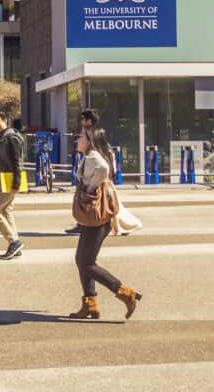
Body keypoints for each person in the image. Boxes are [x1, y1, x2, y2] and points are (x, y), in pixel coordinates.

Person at [68, 128, 142, 320]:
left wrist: (90, 188)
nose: (78, 139)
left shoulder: (94, 157)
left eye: (82, 137)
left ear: (90, 140)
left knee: (87, 263)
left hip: (97, 218)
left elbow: (103, 170)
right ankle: (90, 304)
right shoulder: (92, 155)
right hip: (96, 217)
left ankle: (126, 293)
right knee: (82, 261)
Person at [0, 110, 26, 259]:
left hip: (10, 180)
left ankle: (13, 242)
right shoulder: (1, 136)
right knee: (6, 211)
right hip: (5, 179)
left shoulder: (11, 137)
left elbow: (18, 162)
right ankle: (15, 245)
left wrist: (16, 183)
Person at [66, 109, 100, 235]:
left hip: (92, 168)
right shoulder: (93, 131)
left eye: (83, 119)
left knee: (85, 196)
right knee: (84, 197)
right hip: (89, 165)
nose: (81, 122)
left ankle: (84, 223)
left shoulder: (90, 132)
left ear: (89, 121)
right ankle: (83, 223)